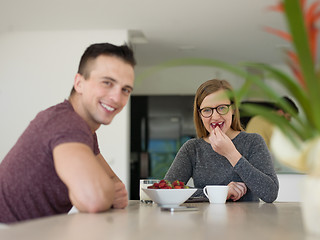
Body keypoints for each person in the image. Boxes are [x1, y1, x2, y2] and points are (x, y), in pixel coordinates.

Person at [0, 42, 136, 223]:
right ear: (79, 83)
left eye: (125, 89)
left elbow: (114, 183)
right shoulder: (66, 123)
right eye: (107, 83)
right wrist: (103, 190)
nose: (117, 98)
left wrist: (106, 189)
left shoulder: (85, 131)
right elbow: (93, 199)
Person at [164, 79, 279, 203]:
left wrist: (231, 154)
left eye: (222, 108)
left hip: (247, 221)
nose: (215, 117)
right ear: (200, 114)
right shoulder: (192, 148)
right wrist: (219, 192)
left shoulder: (253, 142)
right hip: (204, 221)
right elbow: (167, 191)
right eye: (207, 110)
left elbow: (270, 193)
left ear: (233, 109)